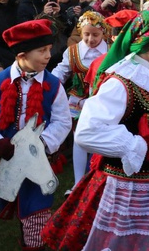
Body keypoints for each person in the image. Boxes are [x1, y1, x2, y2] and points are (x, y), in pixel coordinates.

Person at [42, 10, 149, 251]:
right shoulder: (121, 81)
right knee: (129, 236)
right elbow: (87, 132)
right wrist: (135, 146)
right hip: (127, 183)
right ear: (146, 44)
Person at [0, 19, 71, 250]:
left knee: (37, 205)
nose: (48, 55)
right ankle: (26, 233)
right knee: (13, 200)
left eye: (48, 49)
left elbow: (62, 121)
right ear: (22, 54)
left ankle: (34, 243)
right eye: (42, 51)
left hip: (39, 159)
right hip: (7, 157)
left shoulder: (53, 85)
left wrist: (42, 144)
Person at [52, 12, 110, 190]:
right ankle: (78, 182)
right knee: (80, 137)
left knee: (102, 136)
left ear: (103, 34)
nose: (90, 39)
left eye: (95, 35)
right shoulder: (73, 51)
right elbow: (61, 71)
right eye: (86, 34)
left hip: (103, 98)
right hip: (79, 99)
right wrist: (50, 85)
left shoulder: (110, 51)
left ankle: (99, 177)